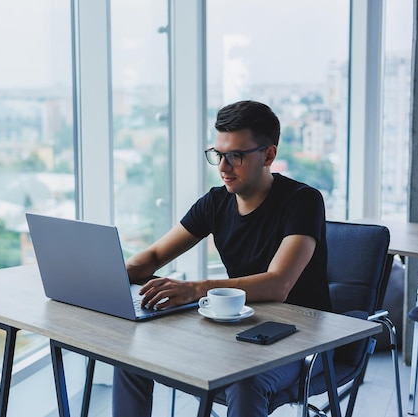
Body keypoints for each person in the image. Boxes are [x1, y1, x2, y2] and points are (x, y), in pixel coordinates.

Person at [112, 100, 332, 417]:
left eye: (236, 156)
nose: (223, 167)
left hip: (300, 340)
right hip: (234, 331)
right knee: (132, 357)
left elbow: (278, 284)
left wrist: (193, 289)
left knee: (244, 382)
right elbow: (156, 255)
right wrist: (107, 274)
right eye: (218, 155)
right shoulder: (216, 202)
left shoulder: (303, 201)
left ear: (269, 155)